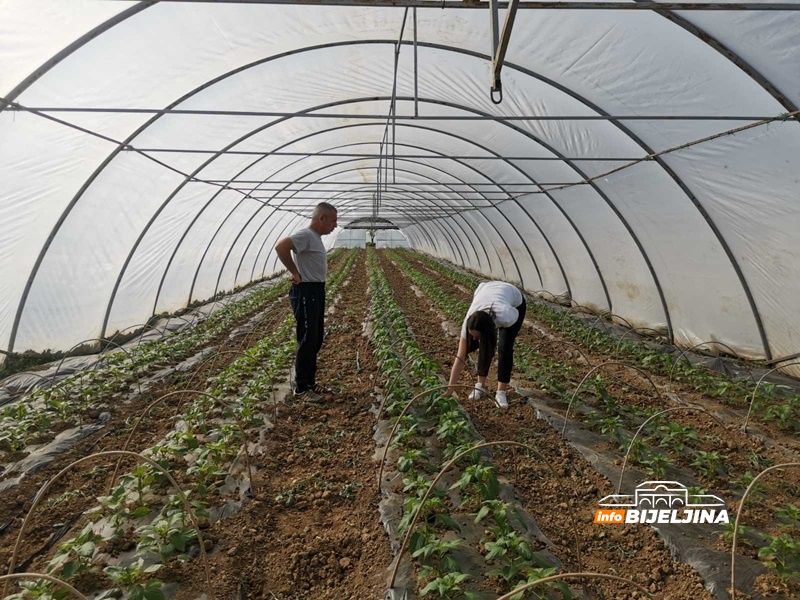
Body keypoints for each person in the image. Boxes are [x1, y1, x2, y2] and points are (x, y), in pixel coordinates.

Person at [274, 202, 338, 402]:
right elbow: (281, 247)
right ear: (322, 218)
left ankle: (310, 383)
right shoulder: (306, 235)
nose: (335, 225)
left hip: (316, 290)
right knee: (308, 338)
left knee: (316, 338)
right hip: (306, 291)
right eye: (333, 220)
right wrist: (294, 272)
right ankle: (301, 388)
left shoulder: (315, 238)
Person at [447, 281, 526, 409]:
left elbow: (512, 319)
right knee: (484, 348)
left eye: (476, 336)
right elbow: (460, 357)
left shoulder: (507, 316)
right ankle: (480, 386)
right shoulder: (469, 323)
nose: (473, 338)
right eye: (472, 335)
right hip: (486, 290)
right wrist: (449, 390)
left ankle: (501, 392)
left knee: (504, 348)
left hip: (514, 301)